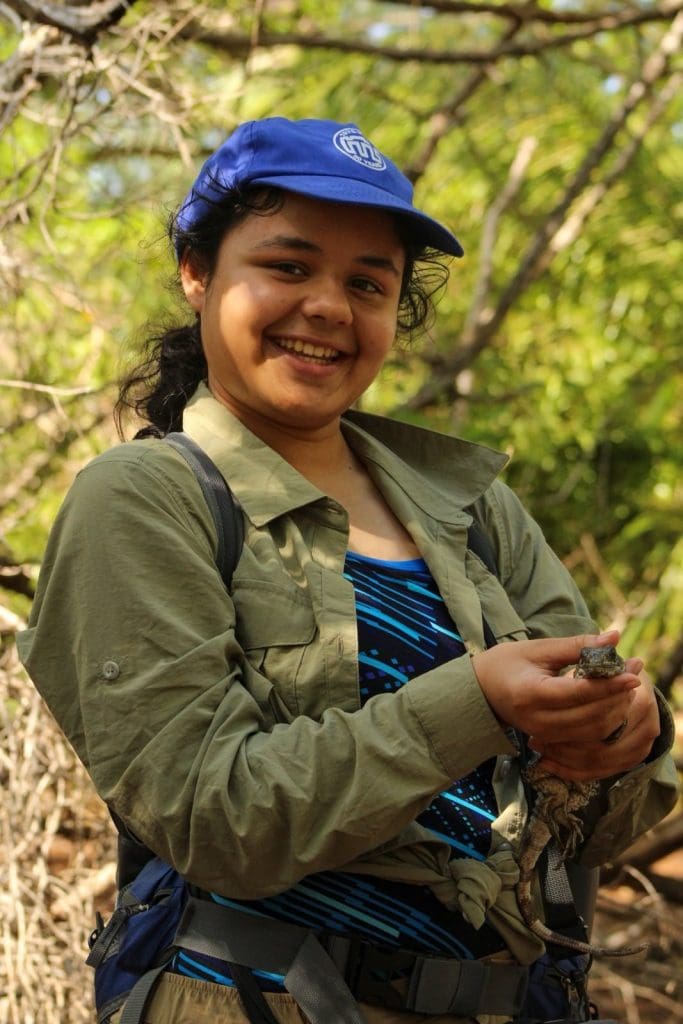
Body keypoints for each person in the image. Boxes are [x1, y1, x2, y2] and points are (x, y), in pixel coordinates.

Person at [18, 117, 678, 1024]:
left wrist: (625, 736)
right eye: (288, 266)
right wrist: (475, 703)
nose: (328, 306)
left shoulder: (473, 506)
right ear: (197, 273)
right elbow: (210, 817)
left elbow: (609, 819)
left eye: (367, 283)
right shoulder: (144, 498)